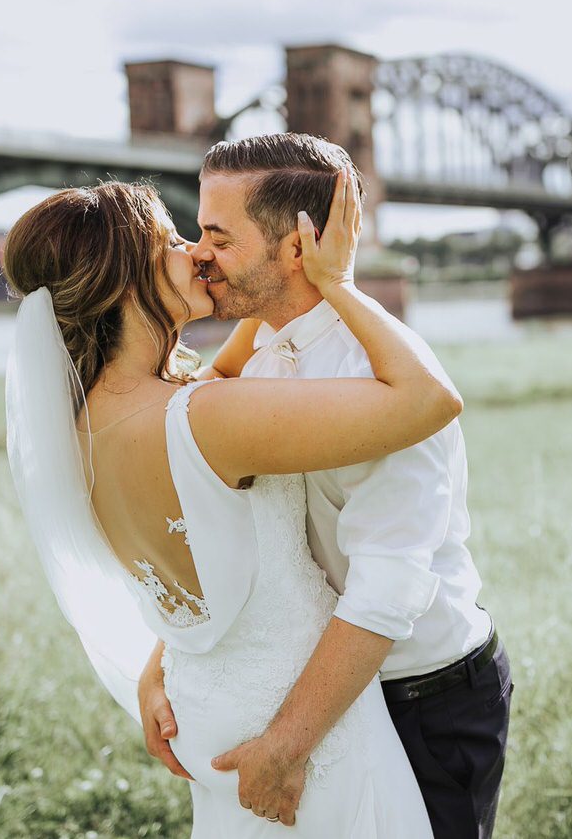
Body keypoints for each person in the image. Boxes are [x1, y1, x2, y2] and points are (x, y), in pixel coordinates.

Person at [3, 170, 447, 836]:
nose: (196, 253)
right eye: (170, 243)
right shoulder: (207, 419)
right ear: (125, 283)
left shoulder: (81, 432)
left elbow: (192, 564)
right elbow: (427, 399)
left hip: (203, 714)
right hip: (296, 733)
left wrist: (272, 288)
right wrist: (336, 284)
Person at [138, 134, 513, 838]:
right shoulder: (255, 359)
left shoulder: (379, 377)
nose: (198, 253)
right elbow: (236, 535)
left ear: (297, 246)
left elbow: (386, 588)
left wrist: (287, 744)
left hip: (422, 692)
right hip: (319, 688)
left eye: (219, 236)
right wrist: (165, 663)